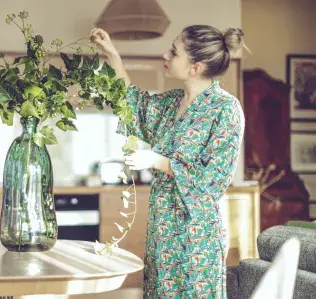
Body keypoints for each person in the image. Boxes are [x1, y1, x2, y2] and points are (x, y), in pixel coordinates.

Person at [90, 25, 247, 298]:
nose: (165, 53)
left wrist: (158, 161)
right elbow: (135, 104)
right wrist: (112, 55)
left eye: (174, 51)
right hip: (162, 230)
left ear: (194, 67)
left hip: (195, 238)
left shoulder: (226, 109)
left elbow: (213, 182)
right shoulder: (172, 102)